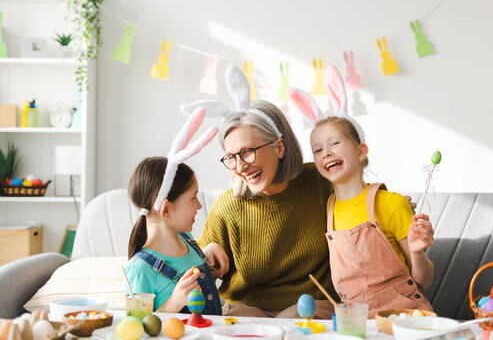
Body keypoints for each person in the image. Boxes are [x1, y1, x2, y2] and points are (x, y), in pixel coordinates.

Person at [187, 65, 418, 319]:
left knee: (293, 322)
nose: (240, 166)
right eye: (231, 157)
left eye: (247, 151)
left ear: (280, 147)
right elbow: (191, 264)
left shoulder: (319, 182)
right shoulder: (228, 206)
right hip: (245, 311)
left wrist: (388, 207)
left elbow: (360, 197)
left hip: (309, 308)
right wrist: (206, 253)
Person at [290, 65, 434, 318]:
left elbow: (424, 280)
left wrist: (418, 252)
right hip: (355, 322)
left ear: (360, 151)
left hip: (403, 317)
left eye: (335, 143)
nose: (326, 153)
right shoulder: (327, 207)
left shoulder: (390, 203)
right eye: (317, 150)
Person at [124, 108, 227, 314]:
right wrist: (174, 302)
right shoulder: (139, 270)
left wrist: (207, 254)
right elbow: (137, 326)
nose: (199, 205)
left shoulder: (187, 240)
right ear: (166, 210)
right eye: (193, 198)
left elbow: (189, 270)